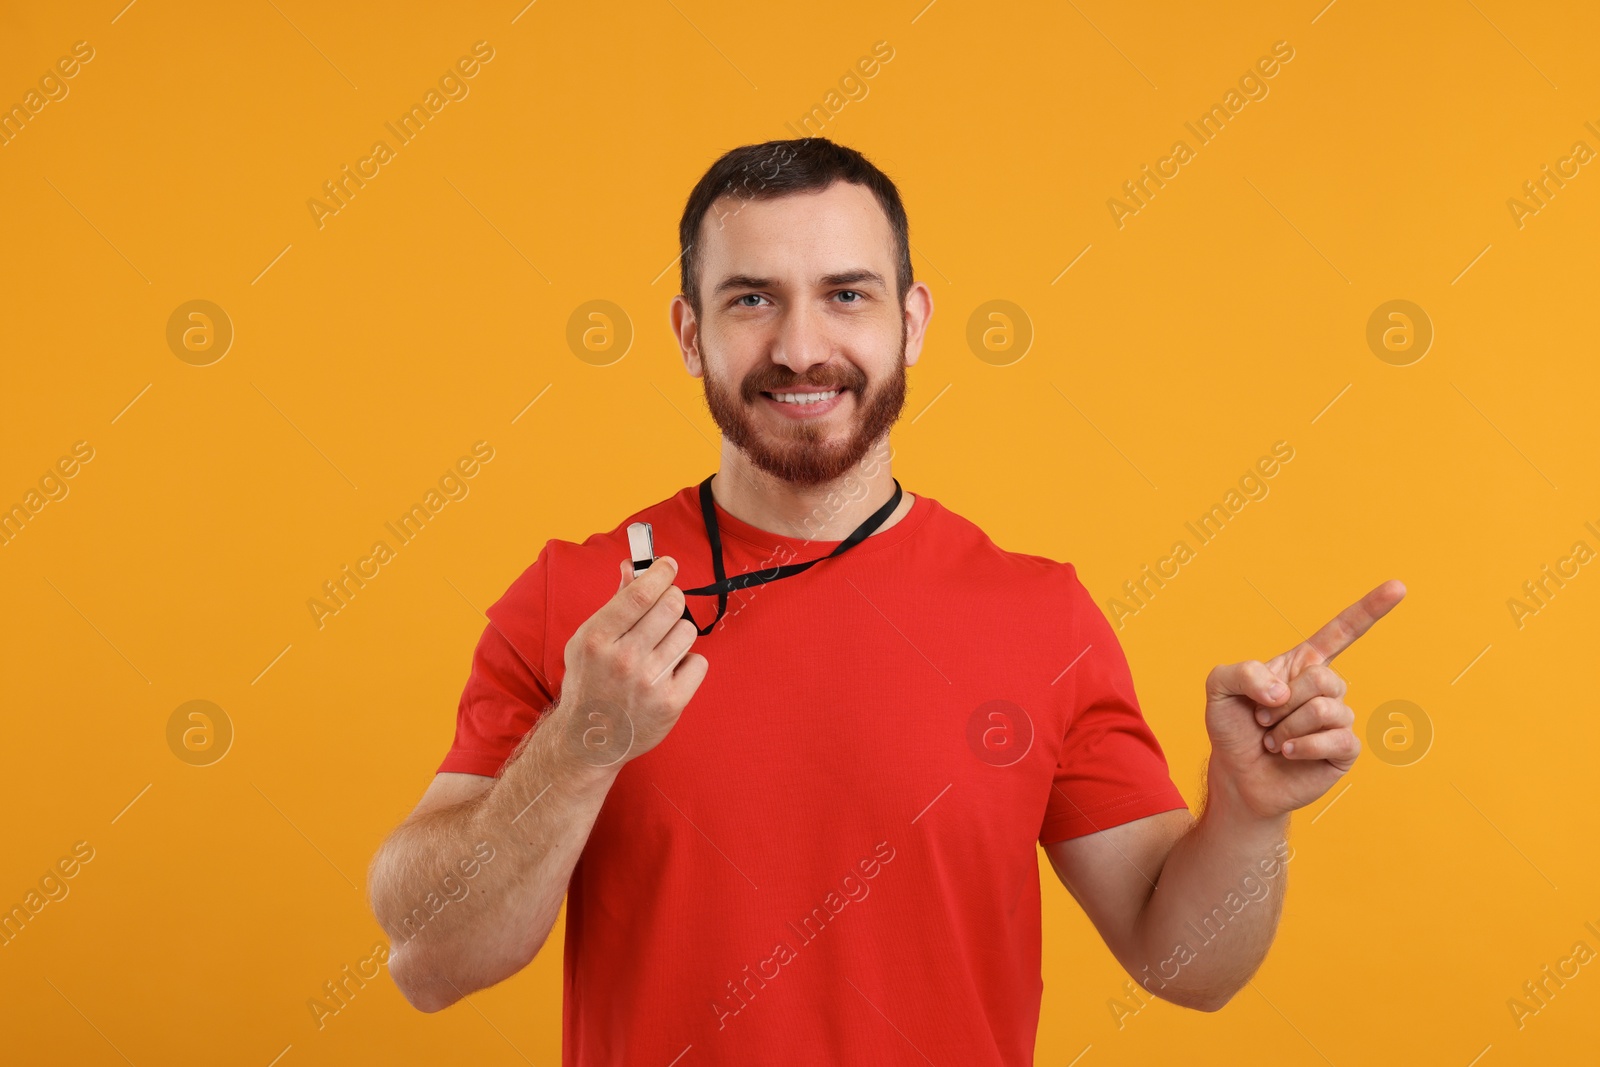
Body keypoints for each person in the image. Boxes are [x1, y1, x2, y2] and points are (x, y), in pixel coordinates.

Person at [366, 137, 1405, 1065]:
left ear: (912, 322)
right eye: (750, 298)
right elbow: (432, 956)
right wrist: (585, 738)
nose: (801, 346)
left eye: (847, 294)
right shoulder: (577, 601)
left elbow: (1188, 963)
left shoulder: (1040, 615)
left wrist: (1248, 813)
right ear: (689, 332)